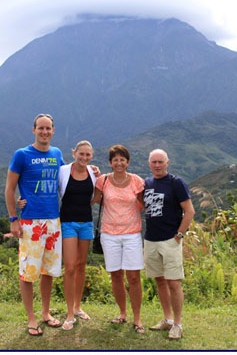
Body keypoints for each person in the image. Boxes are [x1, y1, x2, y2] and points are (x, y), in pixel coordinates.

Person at [22, 140, 98, 330]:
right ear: (74, 153)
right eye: (81, 154)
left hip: (87, 223)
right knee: (70, 267)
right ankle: (69, 313)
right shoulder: (63, 171)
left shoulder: (93, 173)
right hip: (67, 223)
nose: (84, 157)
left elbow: (97, 196)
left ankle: (78, 307)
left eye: (88, 155)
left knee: (81, 266)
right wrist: (22, 199)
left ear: (92, 156)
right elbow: (42, 184)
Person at [5, 113, 64, 337]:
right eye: (40, 128)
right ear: (33, 130)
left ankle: (45, 313)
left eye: (48, 128)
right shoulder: (21, 155)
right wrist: (13, 219)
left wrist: (92, 172)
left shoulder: (56, 153)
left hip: (53, 220)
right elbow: (10, 188)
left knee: (48, 271)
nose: (44, 132)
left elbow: (66, 178)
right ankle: (31, 318)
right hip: (30, 221)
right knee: (28, 273)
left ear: (53, 130)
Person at [91, 144, 147, 334]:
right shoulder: (103, 181)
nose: (119, 163)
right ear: (110, 162)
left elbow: (142, 204)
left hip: (132, 234)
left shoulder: (137, 182)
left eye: (122, 159)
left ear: (128, 162)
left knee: (134, 277)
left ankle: (137, 318)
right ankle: (122, 313)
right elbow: (94, 200)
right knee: (116, 275)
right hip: (109, 234)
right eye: (115, 160)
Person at [143, 149, 195, 340]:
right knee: (159, 280)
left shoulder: (176, 182)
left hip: (170, 240)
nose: (157, 165)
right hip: (150, 239)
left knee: (173, 282)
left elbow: (189, 211)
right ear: (149, 163)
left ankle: (178, 324)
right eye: (154, 162)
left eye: (161, 162)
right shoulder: (147, 183)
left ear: (167, 163)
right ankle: (167, 319)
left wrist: (180, 234)